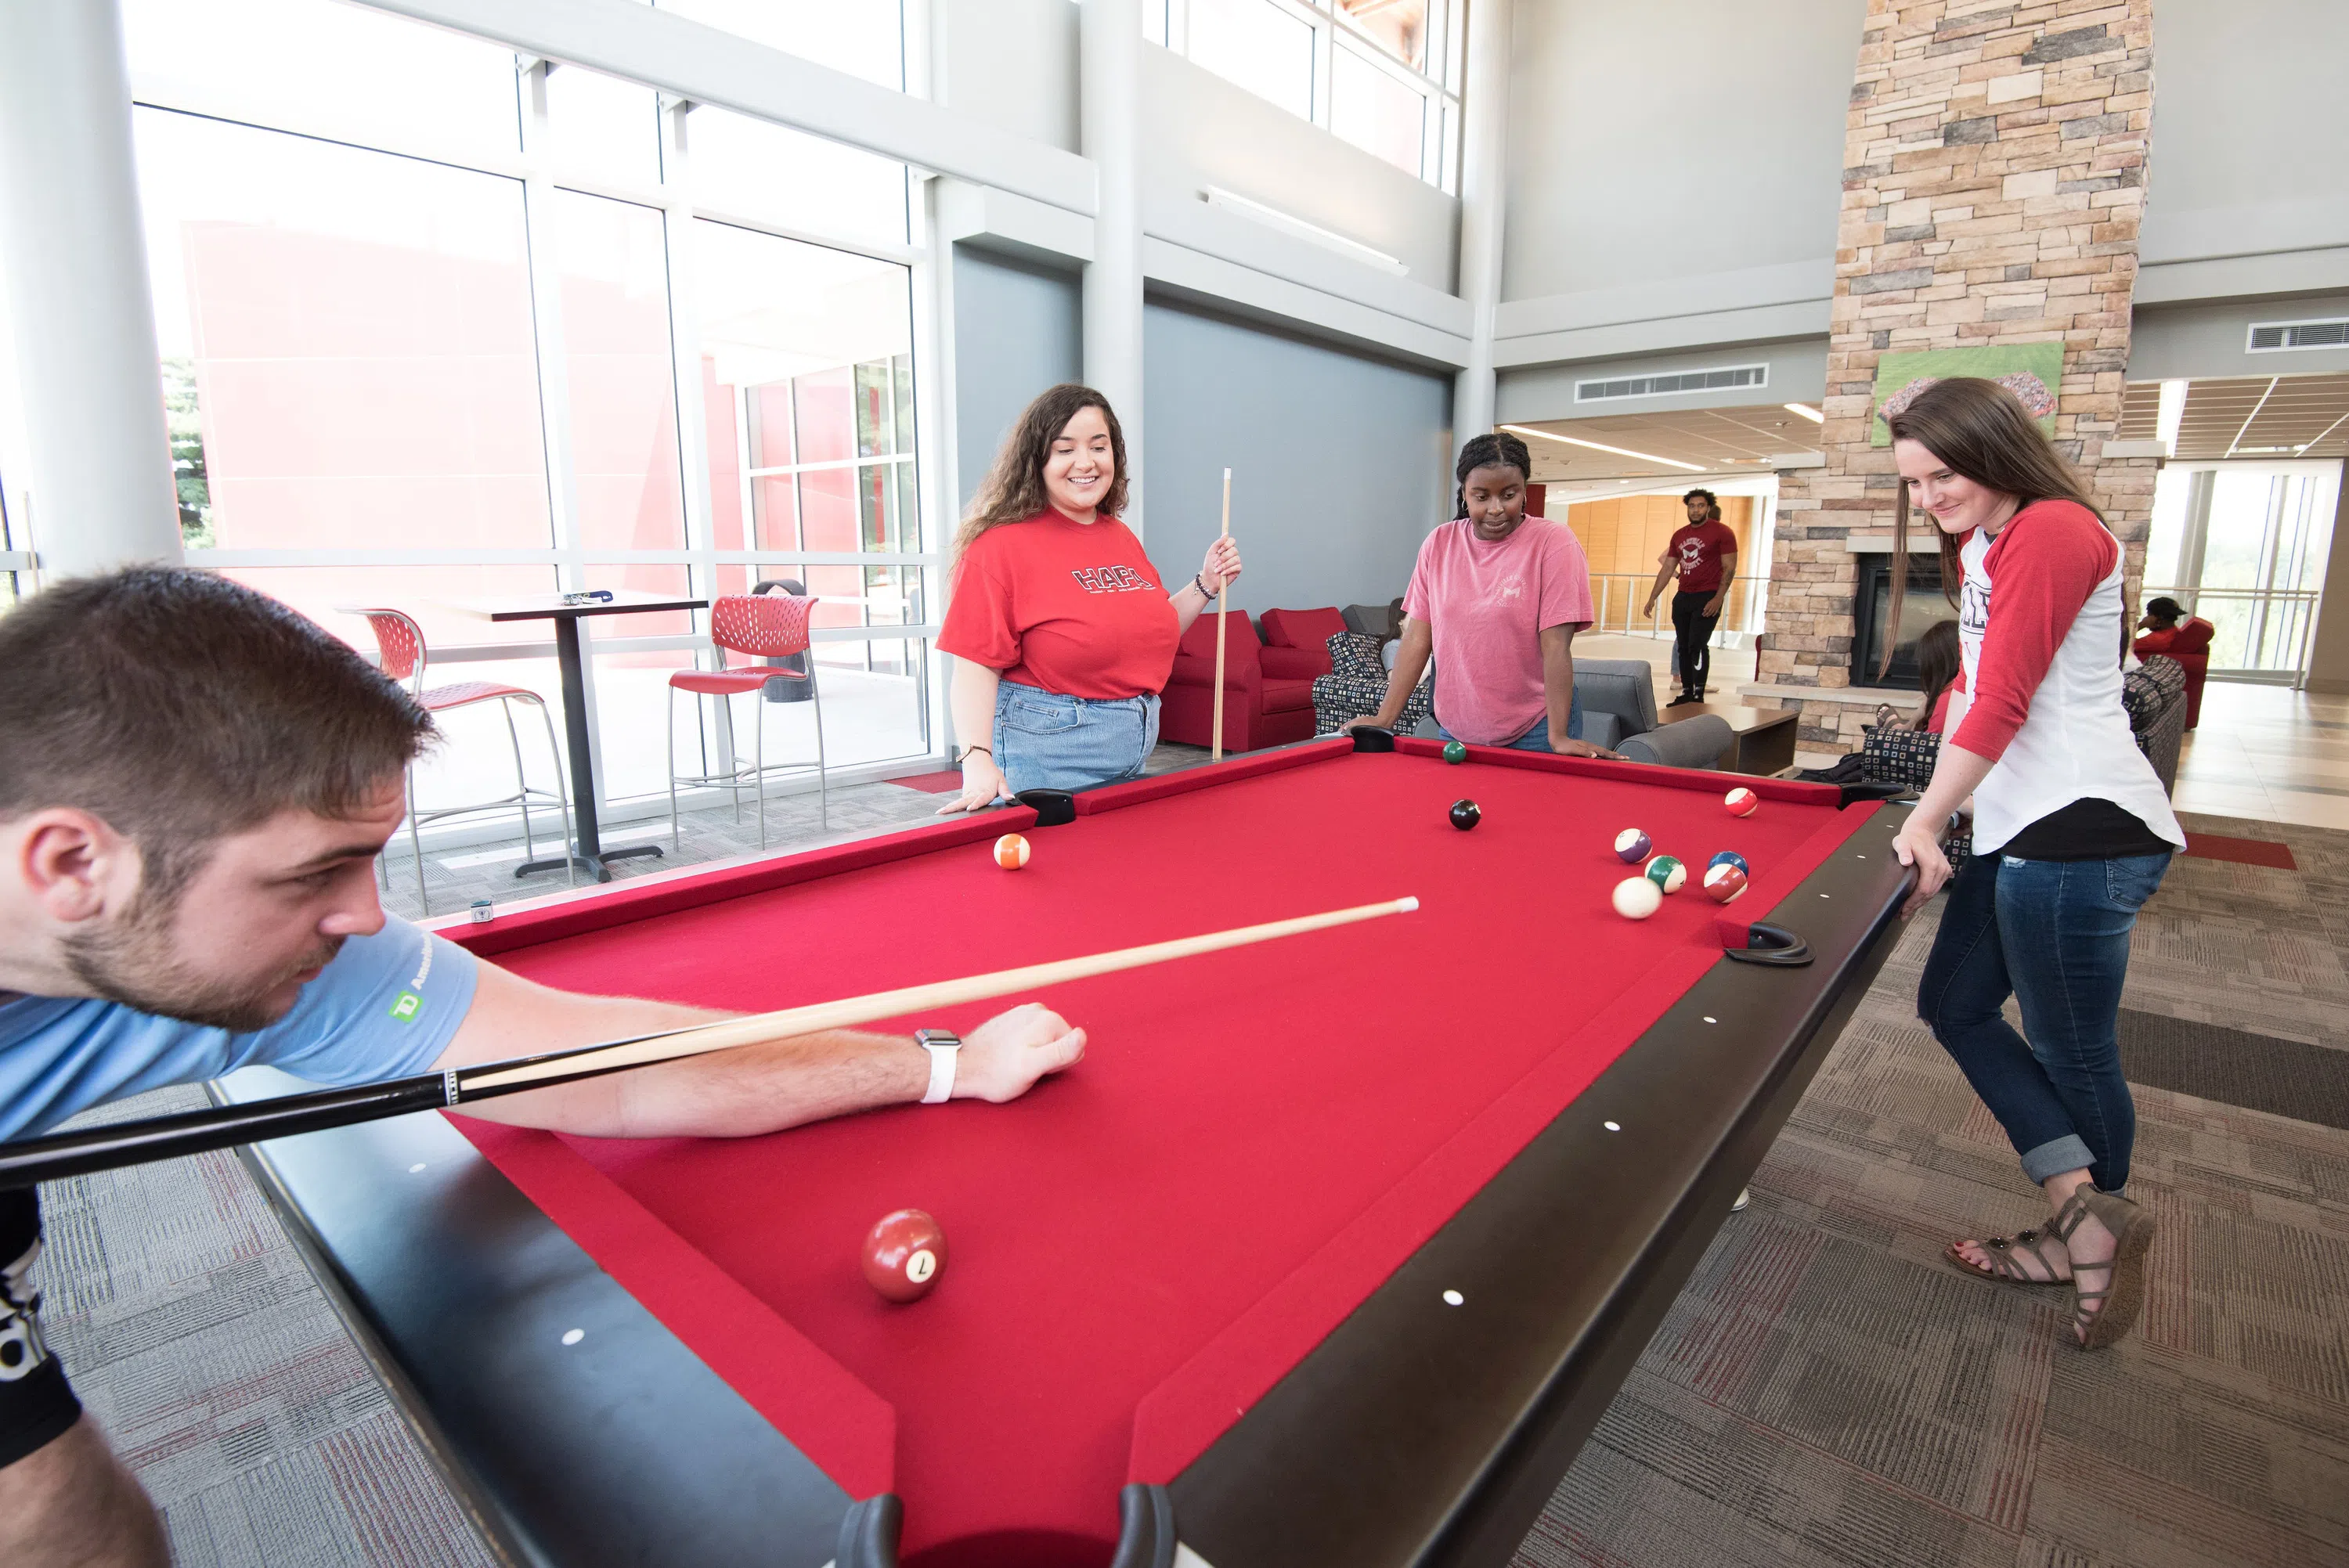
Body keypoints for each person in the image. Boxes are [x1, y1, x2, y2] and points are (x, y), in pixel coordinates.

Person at [0, 569, 1090, 1567]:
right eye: (317, 872)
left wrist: (944, 1061)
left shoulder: (293, 954)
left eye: (372, 859)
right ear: (71, 862)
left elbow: (621, 1069)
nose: (369, 915)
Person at [1883, 377, 2184, 1352]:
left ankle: (2089, 1230)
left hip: (2083, 830)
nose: (1929, 498)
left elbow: (2007, 699)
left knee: (2073, 1048)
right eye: (1914, 483)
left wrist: (1928, 823)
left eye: (1941, 473)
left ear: (1993, 444)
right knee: (1955, 1002)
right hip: (2021, 825)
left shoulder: (2055, 529)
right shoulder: (1987, 541)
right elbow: (1973, 685)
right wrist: (1935, 794)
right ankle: (2080, 1212)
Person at [933, 386, 1242, 812]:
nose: (1086, 462)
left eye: (1099, 446)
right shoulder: (999, 547)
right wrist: (976, 759)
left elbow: (1149, 628)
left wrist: (1206, 583)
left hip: (1131, 751)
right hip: (1047, 758)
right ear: (1037, 460)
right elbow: (973, 665)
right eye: (1065, 450)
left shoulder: (1118, 535)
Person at [1343, 433, 1619, 759]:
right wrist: (1384, 719)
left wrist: (1558, 736)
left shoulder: (1554, 543)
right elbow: (1418, 639)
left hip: (1537, 727)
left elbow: (1556, 646)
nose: (1496, 509)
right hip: (1457, 727)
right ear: (1464, 495)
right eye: (1481, 496)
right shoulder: (1440, 544)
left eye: (1509, 494)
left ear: (1524, 491)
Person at [1640, 488, 1739, 706]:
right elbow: (1668, 567)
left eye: (1700, 506)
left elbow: (1729, 568)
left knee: (1697, 644)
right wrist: (1652, 597)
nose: (1696, 510)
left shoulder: (1723, 533)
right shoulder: (1680, 535)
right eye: (1692, 506)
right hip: (1684, 596)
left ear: (1708, 508)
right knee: (1683, 646)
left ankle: (1698, 693)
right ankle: (1686, 691)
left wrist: (1718, 598)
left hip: (1708, 596)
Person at [2132, 596, 2213, 659]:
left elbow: (2122, 645)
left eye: (2149, 615)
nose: (2147, 618)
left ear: (2159, 618)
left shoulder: (2158, 640)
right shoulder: (2173, 632)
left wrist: (2142, 625)